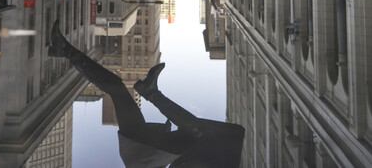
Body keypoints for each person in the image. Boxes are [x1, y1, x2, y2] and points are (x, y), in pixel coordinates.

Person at [48, 21, 245, 167]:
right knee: (117, 88)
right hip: (141, 151)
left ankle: (151, 92)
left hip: (145, 158)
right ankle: (63, 50)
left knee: (201, 132)